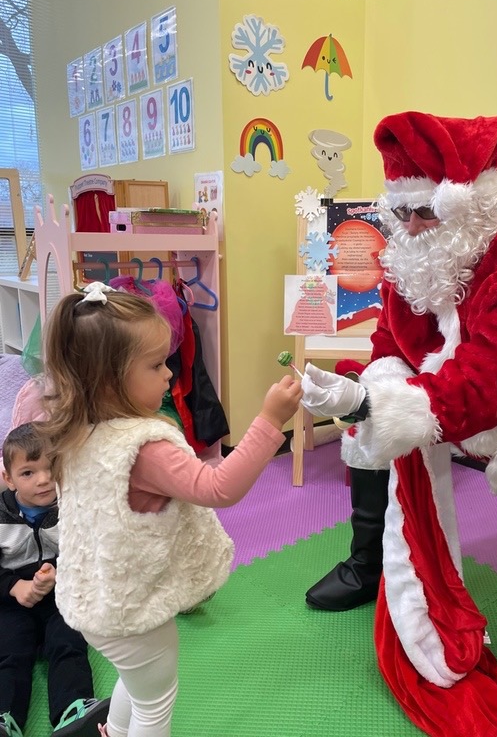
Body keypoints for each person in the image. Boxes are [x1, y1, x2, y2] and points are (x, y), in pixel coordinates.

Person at [300, 111, 497, 737]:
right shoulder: (412, 251)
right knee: (368, 419)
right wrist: (368, 392)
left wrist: (392, 406)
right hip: (459, 386)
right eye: (400, 212)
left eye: (424, 212)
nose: (409, 227)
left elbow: (494, 380)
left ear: (471, 202)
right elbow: (391, 339)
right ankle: (370, 562)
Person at [35, 282, 301, 737]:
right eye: (156, 364)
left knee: (137, 684)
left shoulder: (76, 430)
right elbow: (218, 486)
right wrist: (271, 420)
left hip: (94, 597)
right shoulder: (144, 446)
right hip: (132, 608)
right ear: (109, 380)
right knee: (155, 703)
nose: (170, 375)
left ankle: (113, 731)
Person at [0, 423, 110, 737]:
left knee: (68, 643)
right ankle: (4, 717)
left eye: (51, 467)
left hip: (63, 596)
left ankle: (72, 711)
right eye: (28, 473)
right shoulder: (1, 514)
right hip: (13, 602)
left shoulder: (73, 506)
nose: (44, 479)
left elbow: (93, 553)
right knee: (9, 650)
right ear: (9, 478)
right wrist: (15, 587)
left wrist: (63, 574)